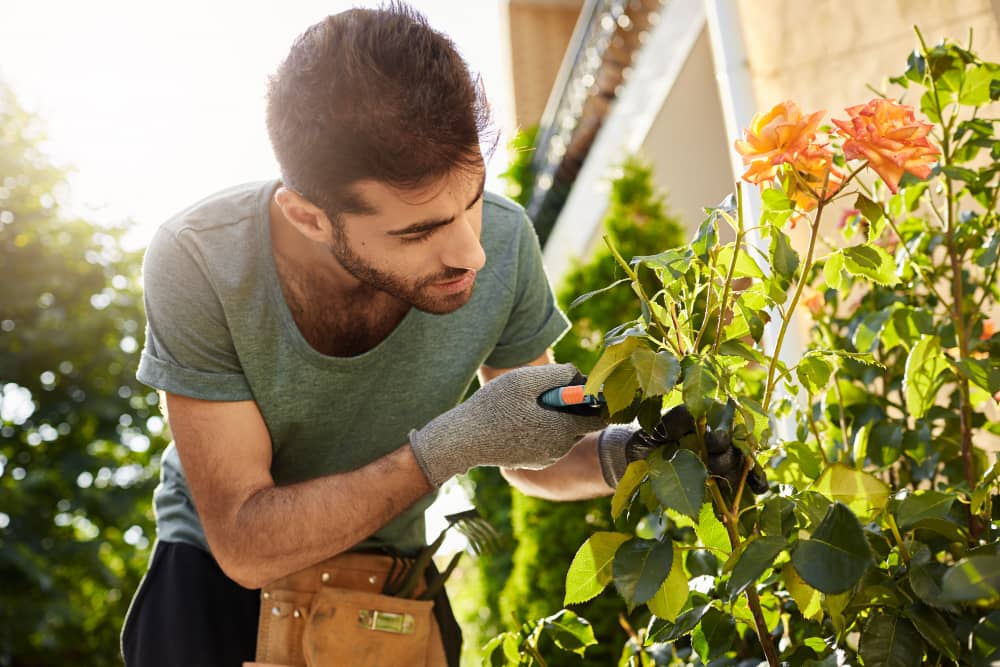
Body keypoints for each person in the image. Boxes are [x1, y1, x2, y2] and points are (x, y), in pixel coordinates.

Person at [119, 4, 670, 666]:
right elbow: (246, 543)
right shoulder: (199, 260)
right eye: (419, 231)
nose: (472, 255)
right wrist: (448, 445)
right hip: (216, 594)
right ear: (309, 217)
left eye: (470, 201)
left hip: (395, 584)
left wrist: (643, 451)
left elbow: (532, 451)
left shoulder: (504, 237)